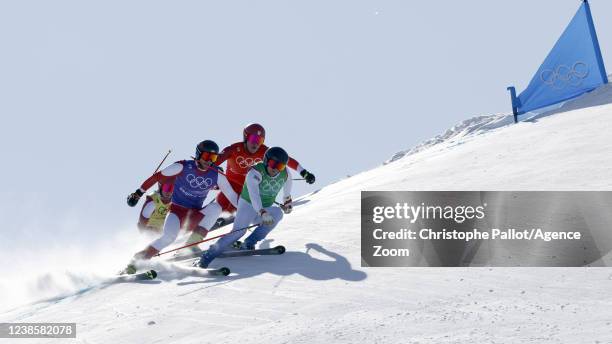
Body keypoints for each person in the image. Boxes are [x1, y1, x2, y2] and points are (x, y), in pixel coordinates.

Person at [124, 140, 238, 273]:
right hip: (177, 213)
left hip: (195, 215)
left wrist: (254, 211)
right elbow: (157, 177)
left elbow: (232, 195)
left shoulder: (216, 175)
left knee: (216, 208)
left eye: (213, 158)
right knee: (168, 237)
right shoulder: (182, 166)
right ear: (198, 155)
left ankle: (190, 245)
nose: (209, 161)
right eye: (207, 156)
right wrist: (138, 193)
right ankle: (137, 261)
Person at [197, 146, 293, 268]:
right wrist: (262, 212)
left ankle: (249, 243)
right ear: (265, 160)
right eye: (273, 164)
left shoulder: (285, 174)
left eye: (280, 166)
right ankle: (207, 256)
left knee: (278, 213)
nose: (275, 169)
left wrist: (287, 203)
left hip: (264, 209)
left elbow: (287, 193)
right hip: (248, 205)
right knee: (239, 232)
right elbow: (254, 196)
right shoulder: (254, 172)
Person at [214, 123, 315, 214]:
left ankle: (243, 214)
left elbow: (286, 159)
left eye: (260, 141)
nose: (256, 144)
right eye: (254, 139)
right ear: (246, 137)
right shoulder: (233, 149)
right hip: (232, 184)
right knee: (222, 202)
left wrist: (304, 173)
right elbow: (209, 163)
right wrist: (215, 174)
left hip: (252, 186)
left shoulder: (265, 151)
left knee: (251, 199)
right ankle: (217, 219)